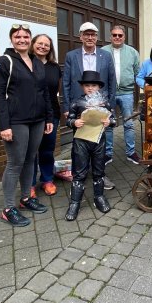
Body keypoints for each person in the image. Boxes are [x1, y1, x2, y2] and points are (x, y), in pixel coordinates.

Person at [0, 24, 54, 227]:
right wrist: (4, 126)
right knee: (14, 163)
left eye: (26, 36)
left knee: (30, 160)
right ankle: (8, 208)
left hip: (37, 120)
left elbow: (45, 94)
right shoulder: (4, 62)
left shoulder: (37, 63)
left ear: (30, 40)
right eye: (18, 36)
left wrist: (49, 118)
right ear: (12, 40)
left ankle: (26, 198)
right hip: (15, 121)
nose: (22, 40)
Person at [63, 22, 117, 190]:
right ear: (80, 37)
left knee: (100, 142)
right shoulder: (71, 56)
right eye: (86, 34)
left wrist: (111, 108)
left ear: (97, 37)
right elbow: (65, 83)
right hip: (79, 107)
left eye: (93, 34)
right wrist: (66, 107)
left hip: (100, 107)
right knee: (78, 141)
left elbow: (112, 82)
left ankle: (100, 174)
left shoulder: (106, 56)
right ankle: (79, 175)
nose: (90, 37)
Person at [64, 71, 115, 221]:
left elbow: (113, 120)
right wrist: (74, 122)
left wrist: (109, 122)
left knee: (99, 170)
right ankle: (75, 203)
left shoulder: (104, 103)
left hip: (99, 140)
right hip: (81, 141)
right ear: (82, 87)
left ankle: (99, 197)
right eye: (87, 85)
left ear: (99, 87)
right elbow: (69, 120)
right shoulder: (77, 103)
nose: (91, 88)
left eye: (94, 85)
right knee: (80, 172)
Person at [101, 25, 142, 165]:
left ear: (124, 37)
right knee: (108, 124)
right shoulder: (103, 52)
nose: (117, 37)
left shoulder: (132, 52)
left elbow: (138, 73)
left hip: (127, 93)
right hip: (108, 94)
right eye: (114, 35)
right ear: (110, 36)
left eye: (120, 35)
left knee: (129, 123)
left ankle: (131, 153)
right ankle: (107, 153)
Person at [30, 34, 61, 197]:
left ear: (50, 48)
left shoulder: (54, 67)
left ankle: (47, 179)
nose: (43, 47)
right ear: (33, 44)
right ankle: (30, 184)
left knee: (47, 149)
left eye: (46, 45)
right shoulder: (26, 63)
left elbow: (55, 91)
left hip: (52, 114)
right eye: (39, 43)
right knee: (31, 151)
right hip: (30, 114)